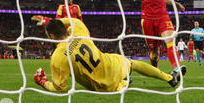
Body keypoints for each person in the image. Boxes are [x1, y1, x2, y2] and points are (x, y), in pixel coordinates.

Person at [31, 15, 187, 92]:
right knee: (134, 63)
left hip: (101, 85)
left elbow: (60, 88)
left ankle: (124, 83)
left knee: (118, 85)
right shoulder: (78, 28)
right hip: (110, 64)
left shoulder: (57, 57)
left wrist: (42, 81)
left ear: (51, 37)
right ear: (65, 28)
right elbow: (69, 21)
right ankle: (169, 78)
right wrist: (50, 20)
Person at [140, 0, 185, 72]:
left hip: (163, 17)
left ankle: (176, 69)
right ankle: (155, 71)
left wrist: (177, 4)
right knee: (155, 53)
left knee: (170, 42)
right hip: (148, 20)